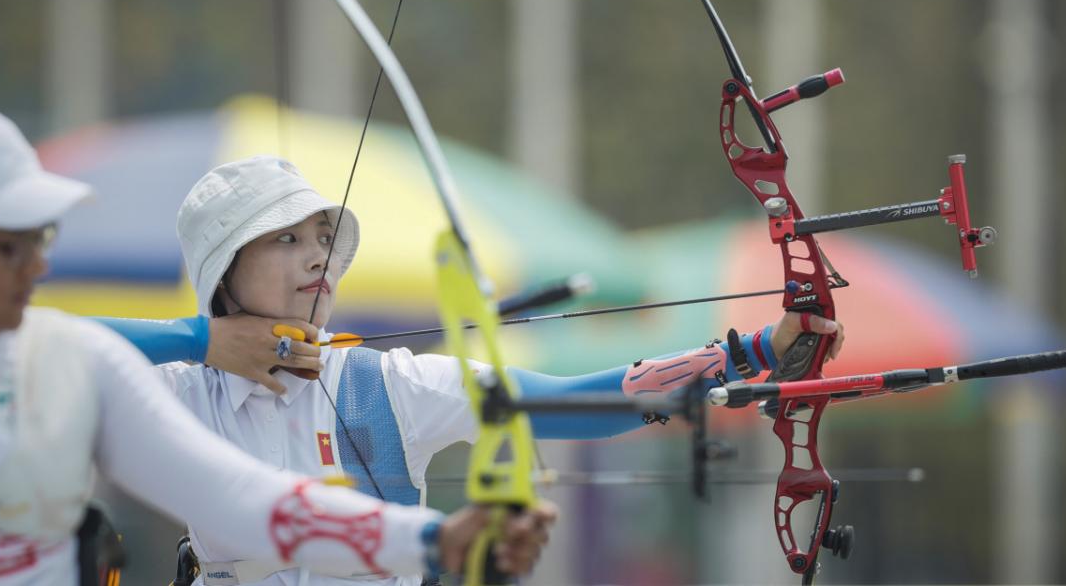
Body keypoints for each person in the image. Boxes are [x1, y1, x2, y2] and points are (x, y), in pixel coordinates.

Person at [98, 154, 844, 585]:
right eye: (286, 239)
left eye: (322, 235)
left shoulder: (380, 386)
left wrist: (751, 354)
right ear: (224, 271)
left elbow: (565, 402)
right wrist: (206, 341)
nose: (318, 256)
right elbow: (45, 347)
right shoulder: (176, 392)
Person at [0, 98, 555, 586]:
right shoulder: (111, 369)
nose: (35, 267)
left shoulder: (65, 363)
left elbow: (241, 500)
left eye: (42, 241)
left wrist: (430, 542)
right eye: (10, 245)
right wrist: (207, 340)